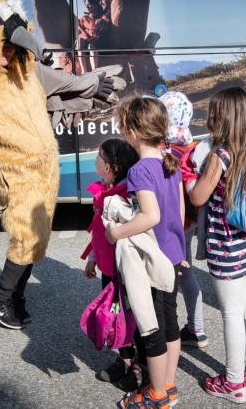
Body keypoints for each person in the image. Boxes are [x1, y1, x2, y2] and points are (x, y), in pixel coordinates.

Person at [188, 87, 246, 403]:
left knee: (231, 313)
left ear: (222, 120)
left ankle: (234, 382)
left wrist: (188, 180)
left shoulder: (221, 154)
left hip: (227, 248)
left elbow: (198, 197)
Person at [109, 96, 186, 409]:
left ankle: (155, 396)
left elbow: (149, 216)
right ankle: (167, 386)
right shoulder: (171, 163)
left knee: (150, 328)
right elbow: (178, 215)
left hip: (152, 261)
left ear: (132, 131)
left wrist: (117, 232)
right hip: (173, 255)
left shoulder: (140, 171)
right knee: (170, 322)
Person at [81, 138, 141, 390]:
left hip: (125, 269)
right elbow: (97, 230)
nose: (95, 159)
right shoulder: (105, 191)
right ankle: (124, 359)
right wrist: (92, 258)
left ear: (110, 168)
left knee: (132, 315)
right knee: (117, 314)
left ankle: (140, 366)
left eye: (99, 156)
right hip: (108, 266)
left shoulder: (125, 196)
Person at [157, 91, 208, 348]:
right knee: (186, 272)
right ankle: (196, 328)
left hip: (169, 223)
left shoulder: (162, 151)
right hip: (190, 220)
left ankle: (168, 330)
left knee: (169, 275)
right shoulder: (192, 147)